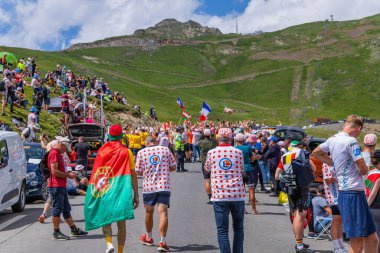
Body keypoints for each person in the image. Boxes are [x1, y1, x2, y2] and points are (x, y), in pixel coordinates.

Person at [313, 115, 378, 253]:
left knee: (372, 239)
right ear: (358, 128)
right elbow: (362, 168)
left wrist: (334, 163)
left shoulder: (332, 139)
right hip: (352, 193)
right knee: (357, 242)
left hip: (352, 193)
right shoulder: (351, 141)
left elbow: (316, 152)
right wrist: (369, 169)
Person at [85, 124, 139, 253]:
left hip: (105, 189)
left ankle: (109, 243)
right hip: (121, 191)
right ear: (121, 137)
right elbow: (133, 174)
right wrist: (136, 194)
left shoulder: (102, 151)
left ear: (109, 136)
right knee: (121, 224)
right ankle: (120, 251)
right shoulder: (127, 152)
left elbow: (96, 172)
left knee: (105, 218)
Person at [204, 128, 246, 253]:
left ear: (218, 139)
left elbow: (207, 168)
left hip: (220, 195)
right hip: (237, 194)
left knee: (222, 230)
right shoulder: (238, 152)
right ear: (231, 139)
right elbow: (241, 169)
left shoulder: (212, 152)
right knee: (238, 229)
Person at [136, 136, 176, 252]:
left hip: (149, 187)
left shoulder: (141, 152)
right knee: (163, 213)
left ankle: (149, 237)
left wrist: (148, 170)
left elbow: (138, 171)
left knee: (149, 212)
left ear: (146, 143)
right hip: (163, 185)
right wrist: (163, 170)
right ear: (156, 142)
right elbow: (173, 167)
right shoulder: (165, 150)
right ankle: (162, 241)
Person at [275, 140, 315, 253]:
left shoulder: (284, 156)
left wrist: (288, 179)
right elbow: (314, 169)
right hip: (303, 188)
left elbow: (277, 176)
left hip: (290, 188)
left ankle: (299, 242)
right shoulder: (303, 153)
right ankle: (299, 247)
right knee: (300, 216)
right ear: (301, 147)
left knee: (295, 215)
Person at [47, 140, 87, 240]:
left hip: (61, 185)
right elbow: (54, 171)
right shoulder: (54, 153)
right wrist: (68, 175)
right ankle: (56, 232)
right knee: (58, 208)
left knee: (66, 208)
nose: (65, 151)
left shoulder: (57, 153)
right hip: (56, 185)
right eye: (65, 149)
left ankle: (73, 229)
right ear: (62, 145)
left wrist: (68, 175)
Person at [321, 163, 347, 252]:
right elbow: (328, 180)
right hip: (333, 196)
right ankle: (336, 247)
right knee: (336, 221)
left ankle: (341, 245)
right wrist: (343, 176)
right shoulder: (327, 163)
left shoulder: (336, 160)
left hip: (340, 195)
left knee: (339, 221)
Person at [235, 133, 259, 214]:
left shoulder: (235, 149)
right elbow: (252, 159)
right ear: (244, 140)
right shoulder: (247, 148)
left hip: (239, 171)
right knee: (251, 191)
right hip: (248, 169)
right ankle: (253, 210)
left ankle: (243, 209)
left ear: (236, 140)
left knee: (241, 191)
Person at [198, 128, 218, 204]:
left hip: (204, 160)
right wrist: (212, 134)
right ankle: (215, 196)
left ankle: (210, 197)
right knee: (213, 179)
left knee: (207, 180)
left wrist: (202, 135)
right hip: (213, 161)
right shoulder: (213, 141)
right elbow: (216, 140)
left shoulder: (201, 142)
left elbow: (197, 142)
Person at [366, 150, 380, 253]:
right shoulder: (378, 176)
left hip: (372, 208)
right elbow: (372, 194)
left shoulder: (370, 173)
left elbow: (367, 191)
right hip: (376, 208)